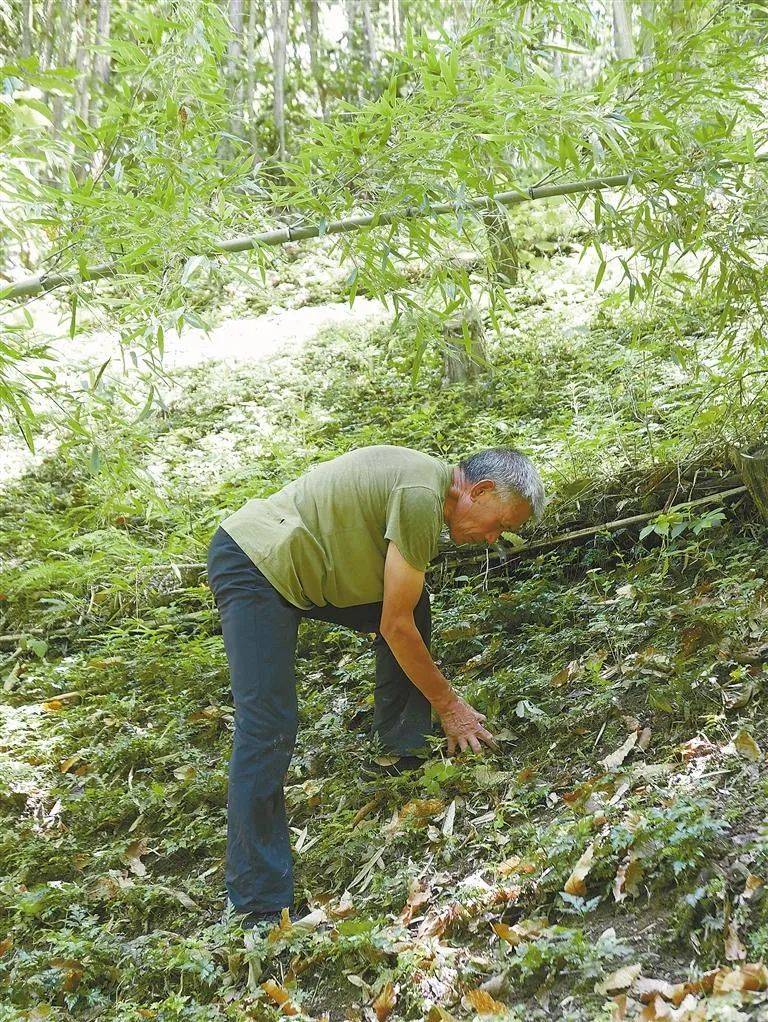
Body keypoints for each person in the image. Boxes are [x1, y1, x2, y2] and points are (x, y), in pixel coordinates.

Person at [206, 445, 544, 927]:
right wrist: (449, 704)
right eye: (500, 524)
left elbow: (398, 608)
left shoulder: (427, 492)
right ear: (481, 490)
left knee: (412, 603)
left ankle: (402, 748)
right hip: (256, 564)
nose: (494, 538)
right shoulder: (418, 494)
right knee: (268, 724)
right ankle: (257, 901)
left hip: (306, 568)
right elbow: (396, 626)